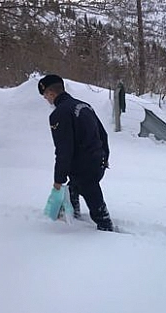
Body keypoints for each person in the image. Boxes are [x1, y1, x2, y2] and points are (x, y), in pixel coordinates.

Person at [38, 74, 114, 231]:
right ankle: (74, 213)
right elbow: (103, 134)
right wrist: (105, 157)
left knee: (93, 196)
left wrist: (58, 180)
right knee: (74, 186)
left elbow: (64, 150)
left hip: (83, 166)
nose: (46, 100)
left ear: (51, 93)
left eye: (45, 96)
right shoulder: (84, 105)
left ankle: (106, 228)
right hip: (97, 160)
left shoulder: (59, 114)